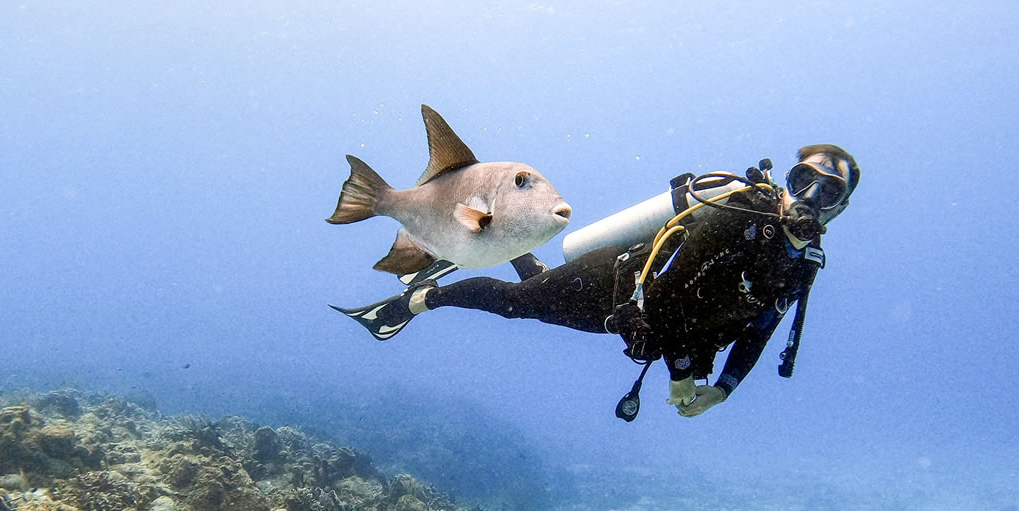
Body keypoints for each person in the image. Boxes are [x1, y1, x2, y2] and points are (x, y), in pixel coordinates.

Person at [333, 145, 860, 418]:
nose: (809, 198)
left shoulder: (803, 264)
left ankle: (518, 249)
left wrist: (723, 388)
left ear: (841, 209)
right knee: (517, 304)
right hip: (609, 285)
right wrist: (681, 373)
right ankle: (423, 299)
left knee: (538, 290)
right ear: (785, 183)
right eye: (802, 181)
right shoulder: (736, 217)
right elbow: (668, 296)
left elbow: (763, 327)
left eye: (828, 192)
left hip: (635, 327)